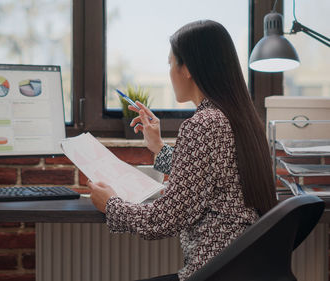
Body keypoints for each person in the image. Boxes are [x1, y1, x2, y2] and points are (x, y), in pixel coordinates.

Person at [87, 20, 277, 281]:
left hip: (215, 270)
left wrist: (111, 205)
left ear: (186, 67)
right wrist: (159, 147)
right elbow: (209, 175)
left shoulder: (203, 123)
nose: (169, 71)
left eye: (170, 63)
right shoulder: (237, 117)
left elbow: (165, 219)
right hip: (243, 266)